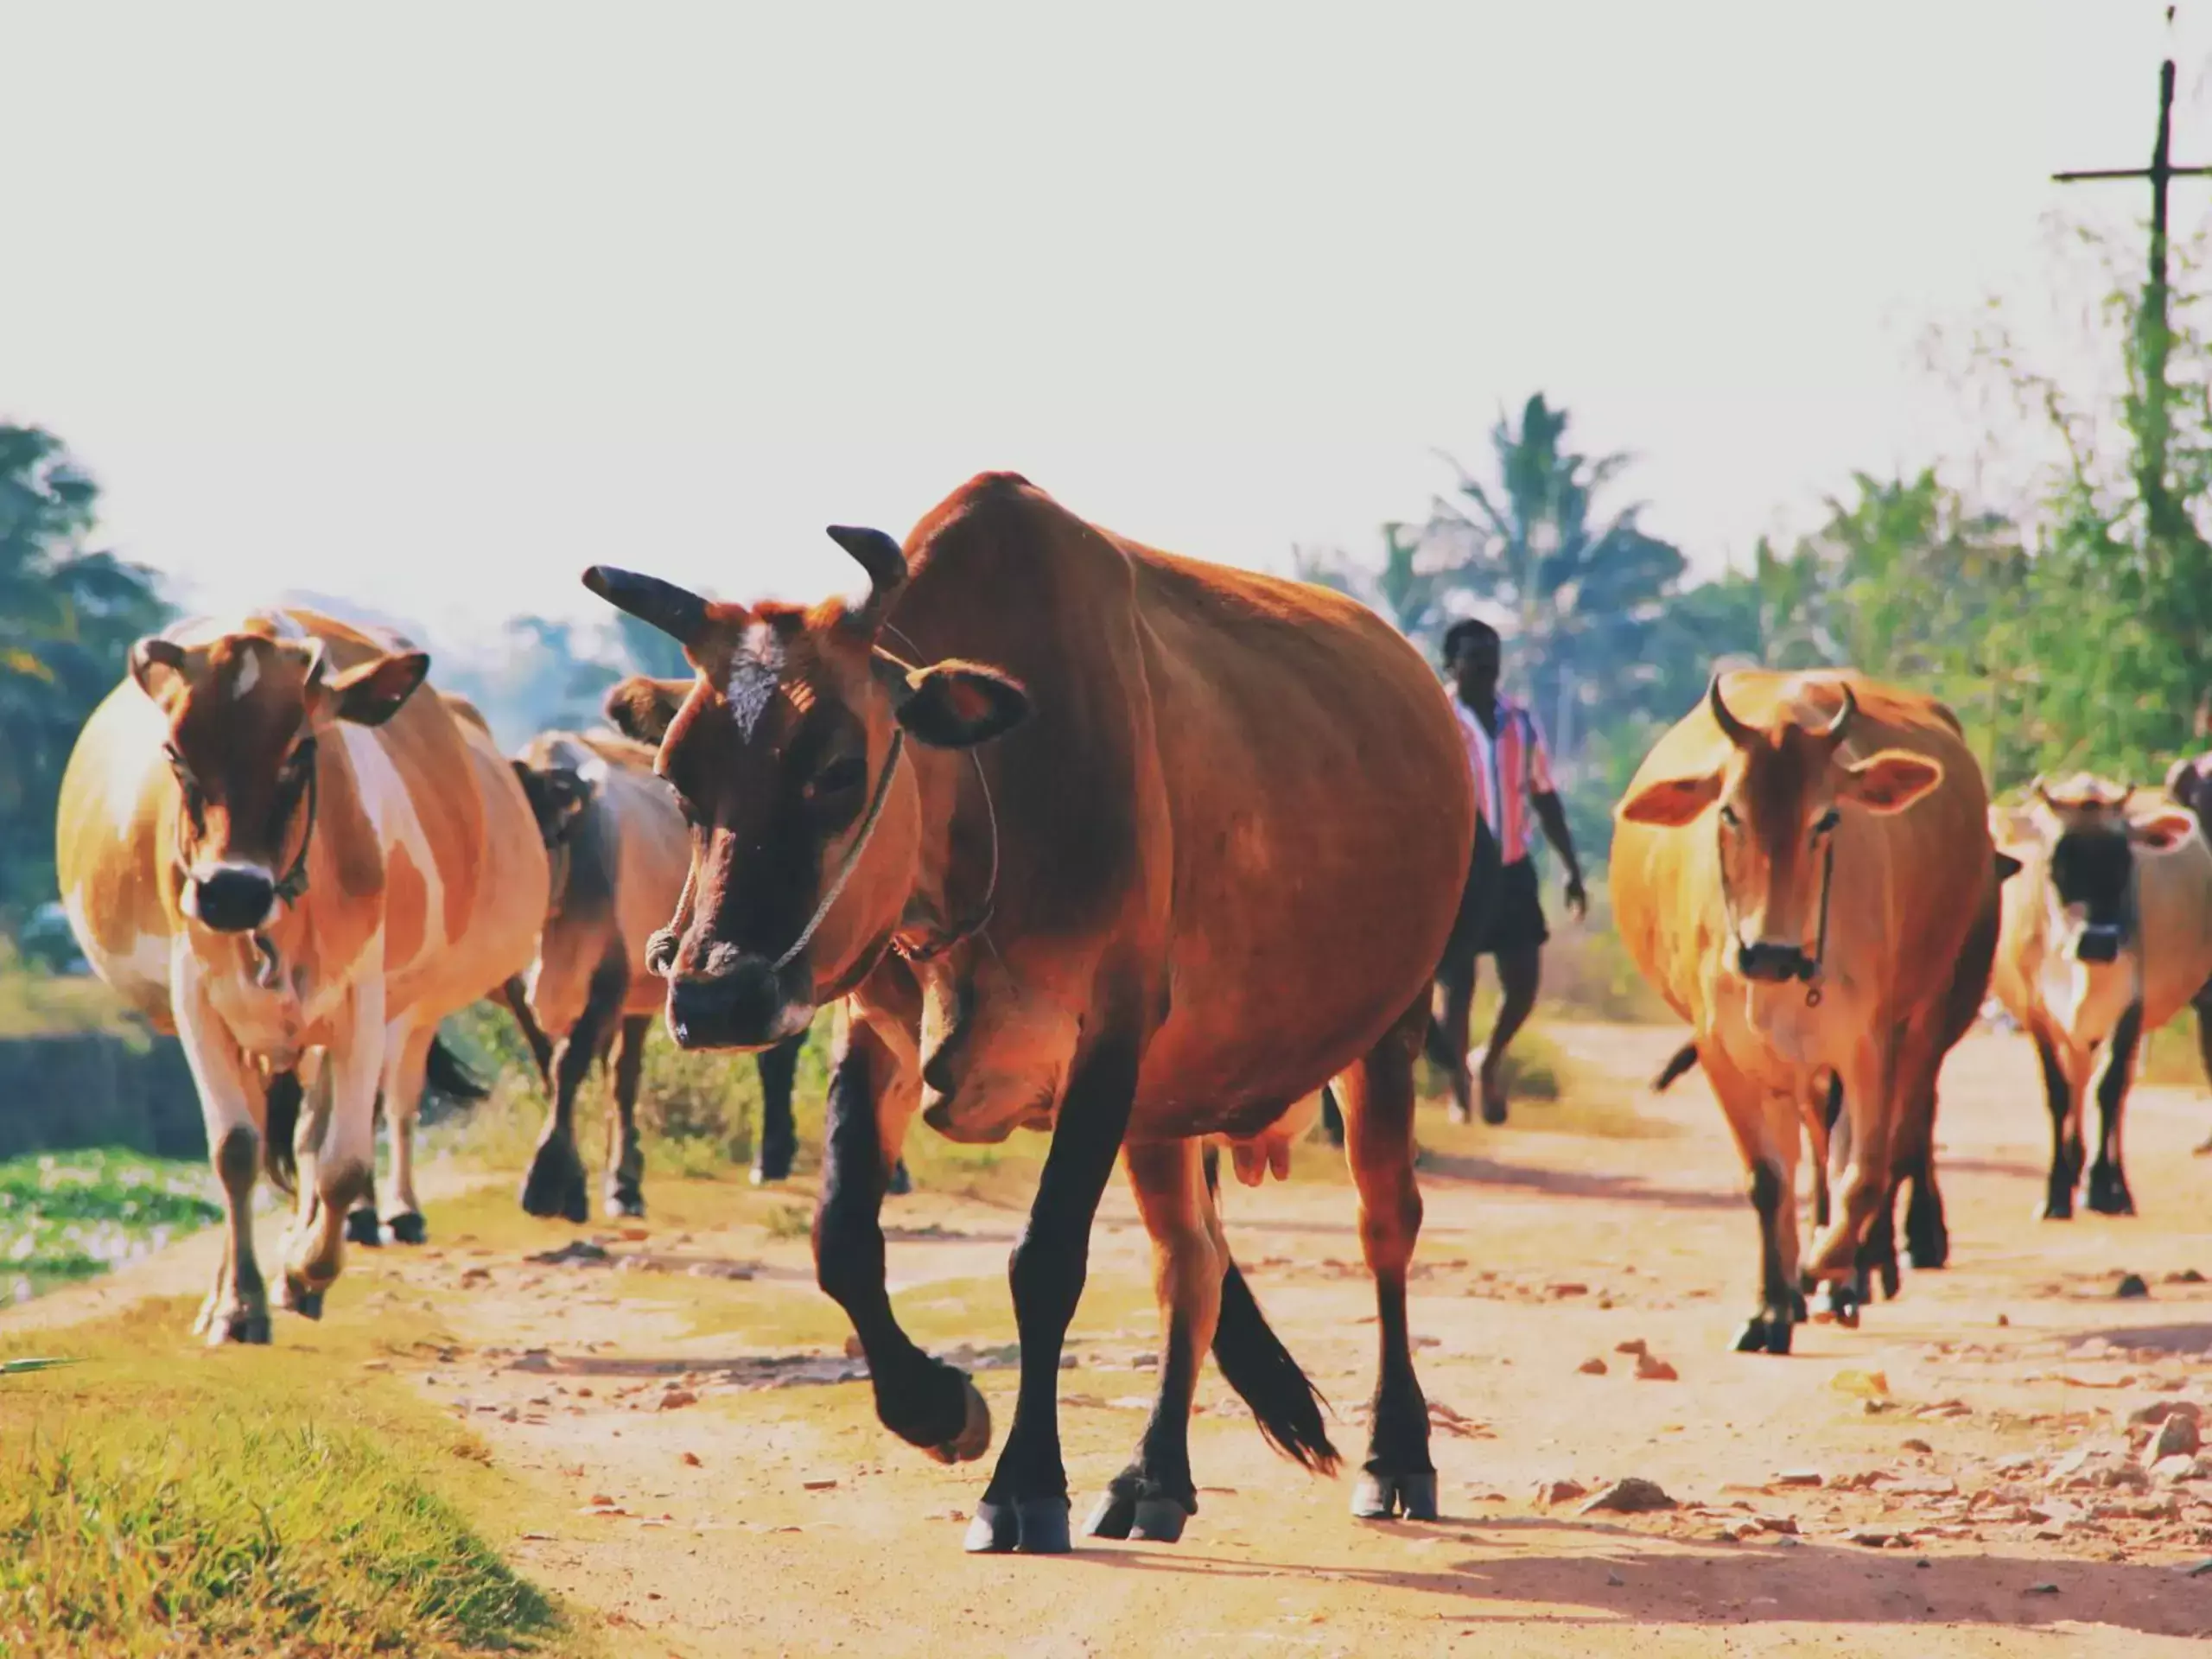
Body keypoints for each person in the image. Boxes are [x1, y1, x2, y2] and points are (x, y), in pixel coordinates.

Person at [1431, 618, 1586, 1125]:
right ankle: (1457, 1087)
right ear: (1451, 664)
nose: (1486, 667)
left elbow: (1544, 794)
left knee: (1522, 981)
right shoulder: (1437, 719)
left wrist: (1570, 868)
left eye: (1493, 656)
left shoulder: (1520, 721)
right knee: (1457, 988)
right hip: (1455, 873)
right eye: (1475, 657)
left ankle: (1487, 1061)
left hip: (1513, 868)